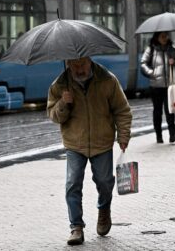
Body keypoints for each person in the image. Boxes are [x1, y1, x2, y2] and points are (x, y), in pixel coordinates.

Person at [47, 56, 132, 246]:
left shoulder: (107, 80)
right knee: (72, 183)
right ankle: (76, 227)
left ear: (89, 61)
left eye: (82, 64)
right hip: (74, 143)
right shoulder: (60, 84)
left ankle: (104, 209)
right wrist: (63, 103)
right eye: (74, 65)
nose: (79, 69)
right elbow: (53, 115)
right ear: (67, 63)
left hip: (102, 141)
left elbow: (122, 110)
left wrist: (123, 136)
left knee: (104, 182)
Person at [140, 32, 175, 143]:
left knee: (170, 111)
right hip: (156, 86)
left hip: (169, 85)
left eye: (166, 36)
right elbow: (143, 63)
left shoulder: (172, 49)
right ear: (157, 37)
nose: (165, 38)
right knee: (157, 112)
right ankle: (159, 136)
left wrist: (174, 61)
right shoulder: (151, 49)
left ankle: (172, 135)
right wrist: (152, 73)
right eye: (162, 36)